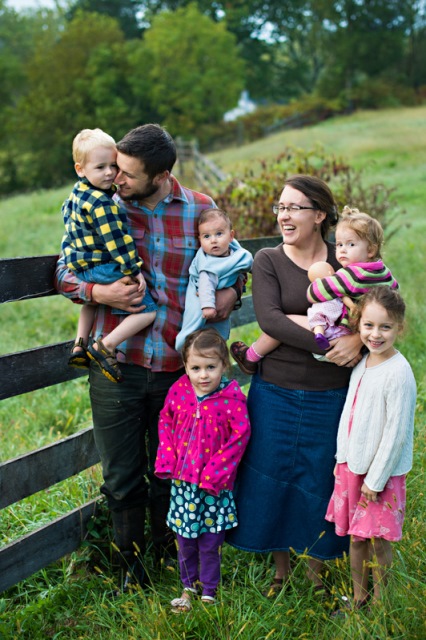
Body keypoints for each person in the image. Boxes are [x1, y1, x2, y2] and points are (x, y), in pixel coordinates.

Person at [54, 124, 242, 592]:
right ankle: (130, 574)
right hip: (117, 364)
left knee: (170, 471)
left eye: (128, 173)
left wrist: (233, 292)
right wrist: (98, 290)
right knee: (120, 477)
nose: (117, 178)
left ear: (161, 175)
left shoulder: (200, 208)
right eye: (114, 167)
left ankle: (167, 559)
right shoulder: (104, 205)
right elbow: (64, 269)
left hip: (179, 369)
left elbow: (232, 260)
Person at [227, 174, 365, 597]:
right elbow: (269, 320)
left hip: (332, 392)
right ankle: (280, 570)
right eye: (280, 207)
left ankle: (316, 574)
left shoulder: (347, 258)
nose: (284, 215)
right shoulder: (268, 259)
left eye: (293, 208)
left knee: (319, 480)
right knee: (270, 477)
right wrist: (328, 338)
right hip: (275, 390)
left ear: (319, 214)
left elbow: (375, 311)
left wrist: (357, 339)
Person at [325, 287, 416, 613]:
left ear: (399, 328)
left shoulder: (398, 373)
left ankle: (381, 603)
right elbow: (351, 413)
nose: (375, 334)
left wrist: (375, 481)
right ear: (358, 324)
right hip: (353, 466)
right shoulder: (363, 362)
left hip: (380, 475)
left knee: (377, 539)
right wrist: (342, 459)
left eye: (385, 327)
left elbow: (395, 434)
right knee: (356, 537)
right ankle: (359, 596)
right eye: (368, 325)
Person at [230, 206, 398, 373]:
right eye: (339, 245)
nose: (342, 250)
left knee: (288, 319)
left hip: (341, 329)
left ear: (371, 250)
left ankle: (251, 356)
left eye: (351, 244)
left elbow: (316, 293)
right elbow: (394, 298)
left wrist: (321, 281)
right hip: (360, 330)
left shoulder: (351, 275)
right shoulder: (384, 273)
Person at [155, 328, 251, 612]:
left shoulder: (232, 399)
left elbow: (240, 436)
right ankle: (188, 585)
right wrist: (167, 459)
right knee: (185, 539)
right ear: (186, 366)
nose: (203, 375)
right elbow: (165, 422)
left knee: (210, 541)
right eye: (195, 368)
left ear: (224, 365)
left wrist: (214, 474)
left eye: (211, 367)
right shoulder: (179, 392)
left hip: (213, 488)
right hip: (184, 485)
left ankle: (209, 589)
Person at [62, 128, 157, 383]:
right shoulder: (102, 203)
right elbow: (117, 243)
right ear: (80, 169)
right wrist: (134, 270)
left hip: (80, 265)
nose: (109, 173)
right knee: (147, 311)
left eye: (112, 166)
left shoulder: (76, 193)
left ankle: (80, 345)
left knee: (91, 302)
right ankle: (106, 346)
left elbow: (68, 226)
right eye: (100, 167)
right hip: (101, 264)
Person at [175, 208, 253, 351]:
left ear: (231, 236)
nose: (213, 240)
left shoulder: (235, 254)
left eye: (219, 234)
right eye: (206, 236)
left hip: (222, 301)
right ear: (200, 240)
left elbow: (247, 266)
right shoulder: (207, 263)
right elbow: (205, 285)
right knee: (200, 334)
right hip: (205, 304)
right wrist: (208, 306)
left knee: (217, 337)